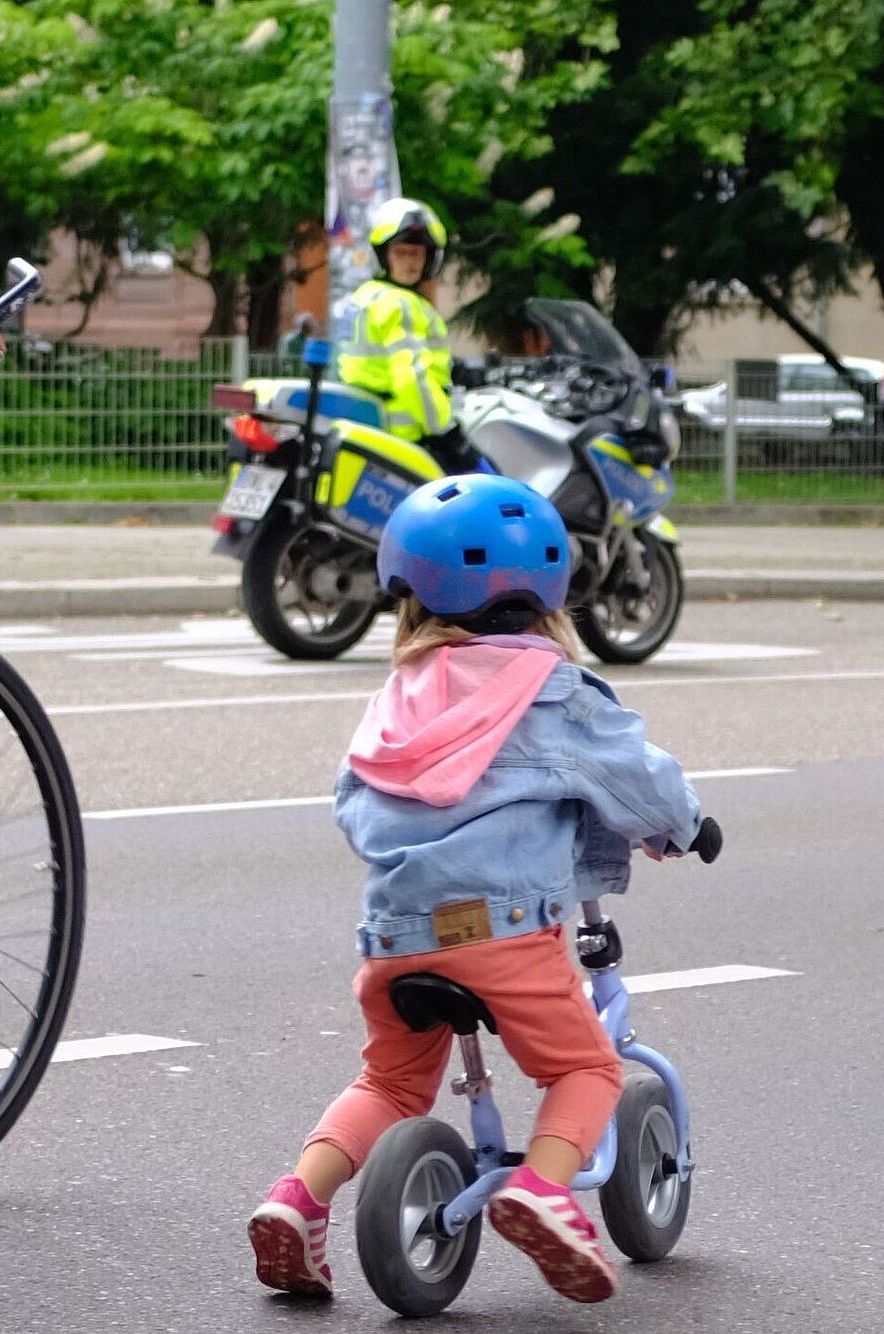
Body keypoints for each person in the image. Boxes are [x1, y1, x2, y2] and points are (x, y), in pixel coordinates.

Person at [245, 474, 702, 1305]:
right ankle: (544, 1188)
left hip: (395, 937)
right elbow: (645, 784)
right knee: (588, 1070)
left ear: (410, 599)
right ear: (552, 597)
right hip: (503, 933)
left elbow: (354, 806)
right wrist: (689, 827)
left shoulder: (395, 700)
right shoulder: (557, 693)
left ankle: (298, 1197)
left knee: (387, 1085)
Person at [337, 197, 481, 474]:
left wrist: (456, 370)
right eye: (401, 253)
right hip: (408, 437)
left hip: (371, 431)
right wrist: (446, 431)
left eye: (416, 254)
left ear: (429, 258)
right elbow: (411, 378)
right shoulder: (401, 304)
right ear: (385, 255)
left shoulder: (365, 297)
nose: (410, 262)